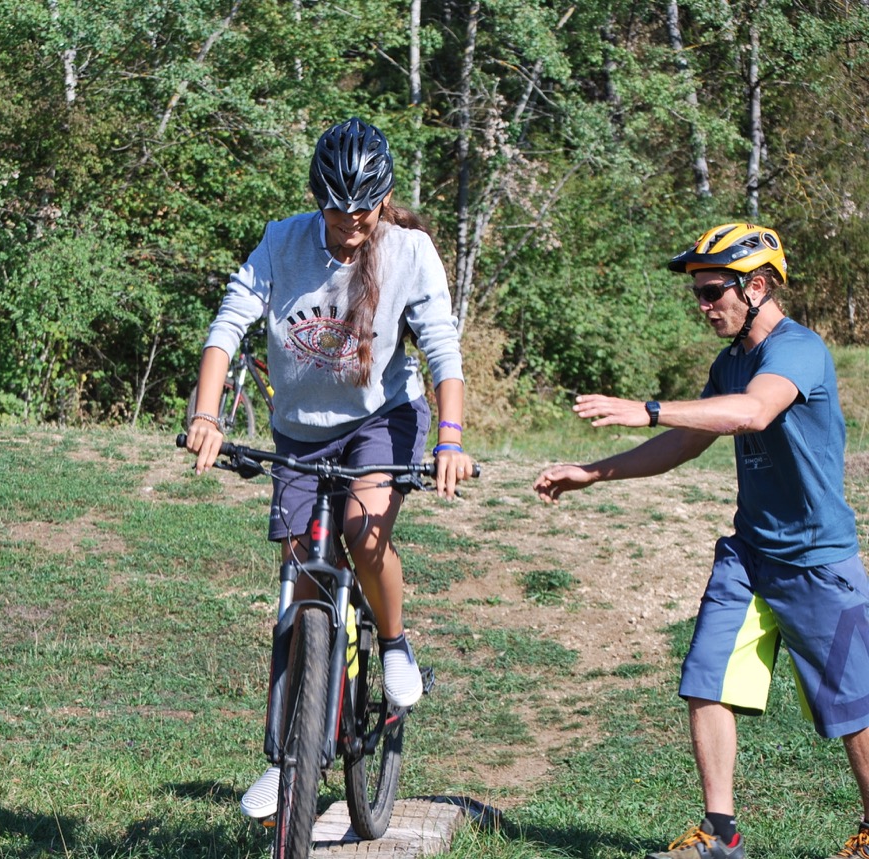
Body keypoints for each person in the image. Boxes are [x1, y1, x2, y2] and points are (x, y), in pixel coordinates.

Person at [533, 222, 869, 859]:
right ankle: (719, 834)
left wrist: (648, 407)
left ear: (758, 286)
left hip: (817, 560)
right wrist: (592, 473)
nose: (704, 306)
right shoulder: (730, 362)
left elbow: (752, 412)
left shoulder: (797, 349)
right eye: (699, 294)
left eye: (714, 291)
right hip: (750, 553)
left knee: (854, 706)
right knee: (707, 680)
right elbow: (687, 442)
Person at [183, 117, 475, 820]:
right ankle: (290, 754)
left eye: (363, 211)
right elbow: (229, 325)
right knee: (299, 577)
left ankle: (395, 646)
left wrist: (451, 438)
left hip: (382, 418)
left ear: (384, 200)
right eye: (337, 210)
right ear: (318, 200)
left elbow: (441, 347)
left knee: (362, 531)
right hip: (301, 430)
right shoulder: (282, 241)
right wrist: (206, 413)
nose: (350, 225)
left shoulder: (409, 251)